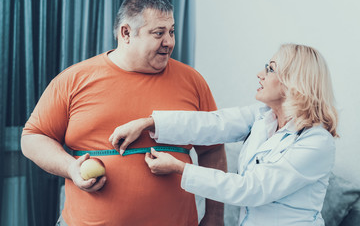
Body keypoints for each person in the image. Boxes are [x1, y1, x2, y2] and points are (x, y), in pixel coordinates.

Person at [21, 0, 226, 226]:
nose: (169, 42)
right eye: (158, 33)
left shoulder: (193, 81)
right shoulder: (74, 79)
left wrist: (215, 216)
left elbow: (212, 149)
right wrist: (70, 168)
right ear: (126, 33)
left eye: (171, 31)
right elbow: (33, 137)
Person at [109, 44, 339, 226]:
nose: (260, 74)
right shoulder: (262, 116)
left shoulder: (316, 142)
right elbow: (211, 123)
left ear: (293, 83)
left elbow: (251, 189)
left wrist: (181, 169)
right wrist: (148, 123)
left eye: (270, 69)